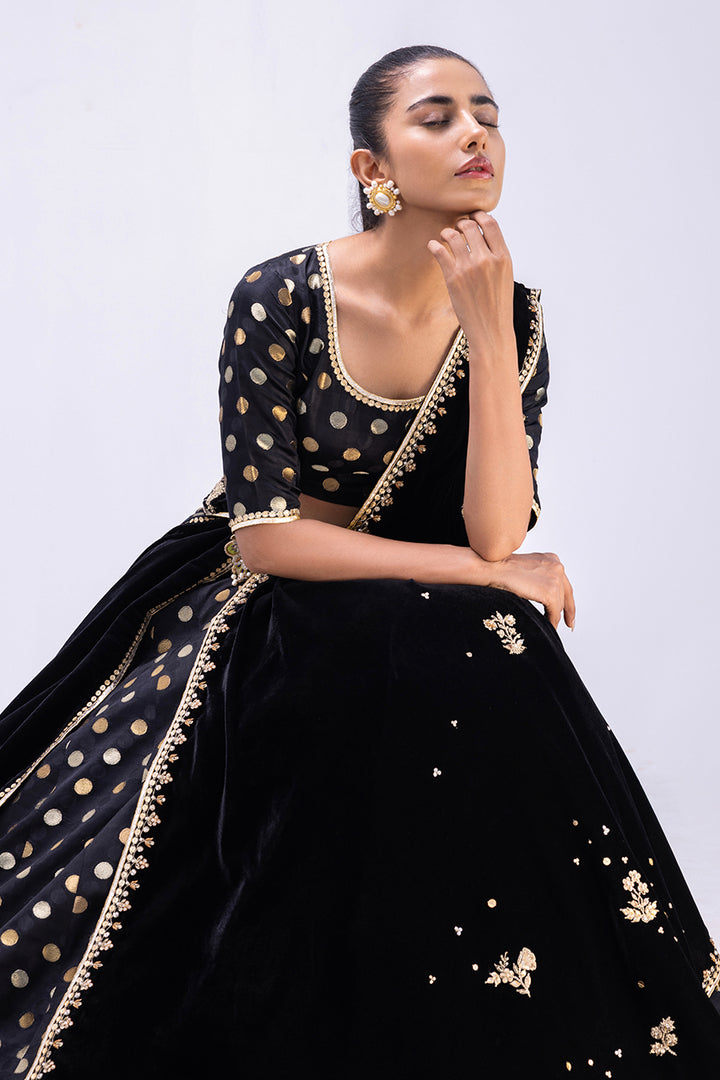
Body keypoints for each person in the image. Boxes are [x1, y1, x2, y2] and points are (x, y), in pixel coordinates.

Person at [0, 43, 718, 1079]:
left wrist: (489, 335)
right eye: (437, 116)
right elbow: (267, 536)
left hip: (407, 602)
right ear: (370, 166)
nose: (475, 133)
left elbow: (497, 532)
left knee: (490, 644)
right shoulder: (281, 294)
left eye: (488, 114)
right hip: (265, 595)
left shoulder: (514, 316)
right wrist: (480, 576)